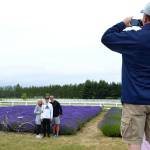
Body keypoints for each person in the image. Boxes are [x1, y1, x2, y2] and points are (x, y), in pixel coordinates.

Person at [101, 2, 150, 150]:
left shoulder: (134, 38)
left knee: (135, 143)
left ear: (145, 18)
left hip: (134, 100)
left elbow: (106, 38)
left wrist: (123, 23)